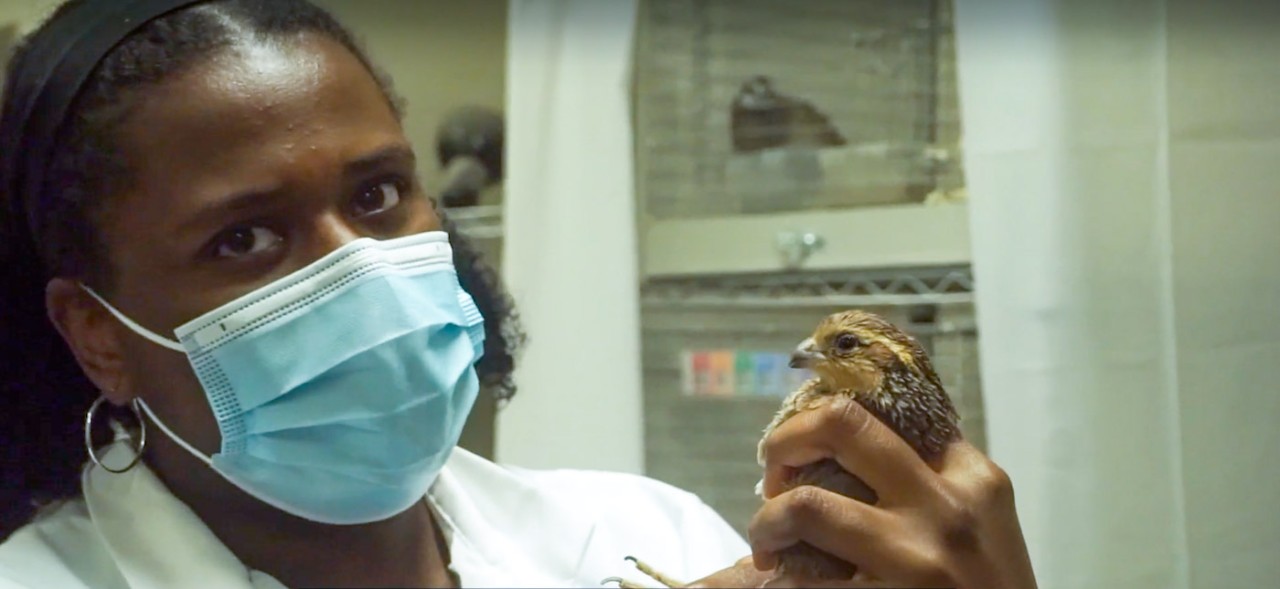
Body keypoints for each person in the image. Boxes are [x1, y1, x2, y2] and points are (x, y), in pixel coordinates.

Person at [0, 1, 1038, 587]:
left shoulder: (638, 535)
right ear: (99, 334)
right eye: (246, 237)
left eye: (376, 194)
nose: (357, 266)